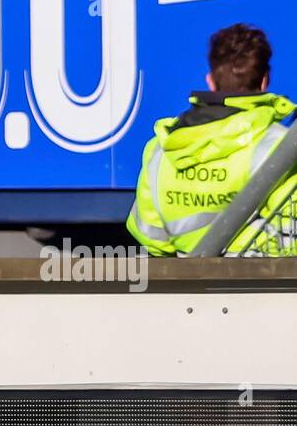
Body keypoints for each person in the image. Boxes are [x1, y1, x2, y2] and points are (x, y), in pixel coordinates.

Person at [127, 23, 297, 256]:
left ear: (210, 81)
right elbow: (290, 234)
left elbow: (150, 236)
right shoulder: (281, 147)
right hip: (257, 285)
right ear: (264, 81)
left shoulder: (161, 148)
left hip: (188, 285)